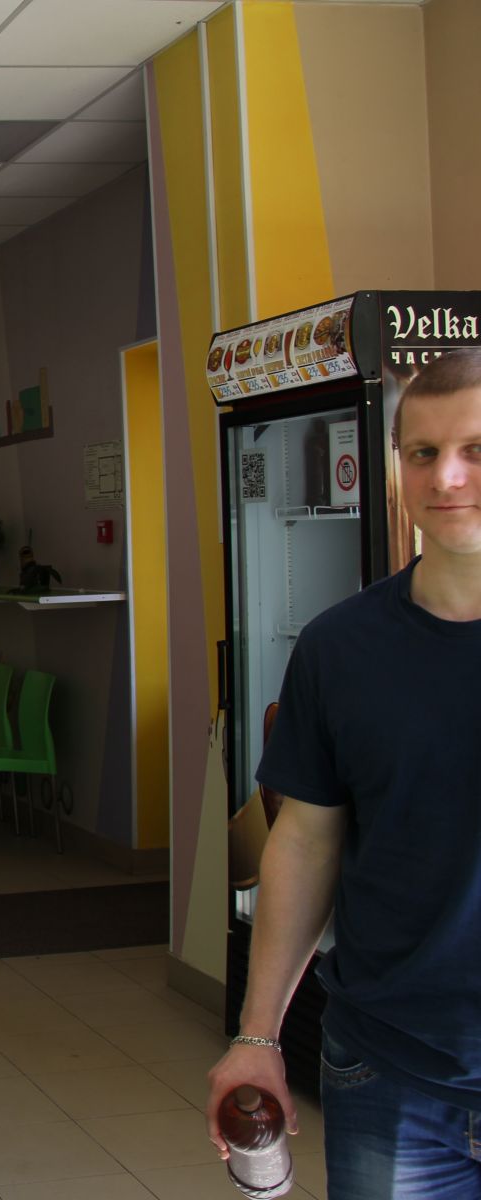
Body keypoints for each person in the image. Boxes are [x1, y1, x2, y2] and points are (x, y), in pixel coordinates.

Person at [206, 349, 481, 1198]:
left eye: (476, 449)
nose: (448, 476)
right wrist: (258, 1034)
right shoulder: (340, 648)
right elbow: (305, 842)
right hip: (390, 1065)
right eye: (423, 452)